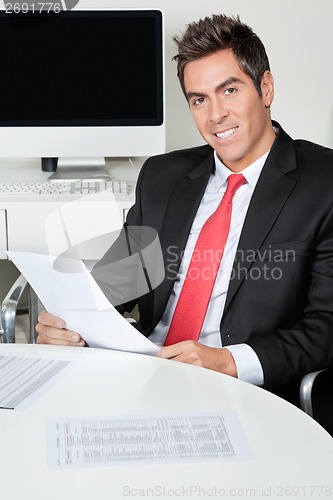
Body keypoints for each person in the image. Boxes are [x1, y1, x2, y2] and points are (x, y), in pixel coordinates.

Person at [37, 14, 333, 412]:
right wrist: (69, 327)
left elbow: (326, 328)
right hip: (141, 378)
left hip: (244, 396)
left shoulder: (323, 183)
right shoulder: (162, 177)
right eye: (199, 99)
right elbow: (115, 287)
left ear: (265, 88)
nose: (215, 115)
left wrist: (229, 362)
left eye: (229, 90)